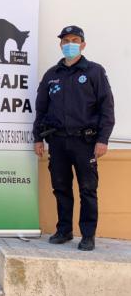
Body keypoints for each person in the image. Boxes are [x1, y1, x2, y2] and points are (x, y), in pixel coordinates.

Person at [33, 25, 115, 251]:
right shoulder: (52, 75)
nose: (70, 44)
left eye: (75, 40)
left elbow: (106, 108)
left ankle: (88, 235)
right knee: (61, 187)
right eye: (65, 40)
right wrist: (38, 138)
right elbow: (41, 109)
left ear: (83, 44)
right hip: (57, 141)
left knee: (88, 188)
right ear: (60, 45)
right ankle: (64, 230)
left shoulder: (94, 72)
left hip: (85, 142)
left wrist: (103, 139)